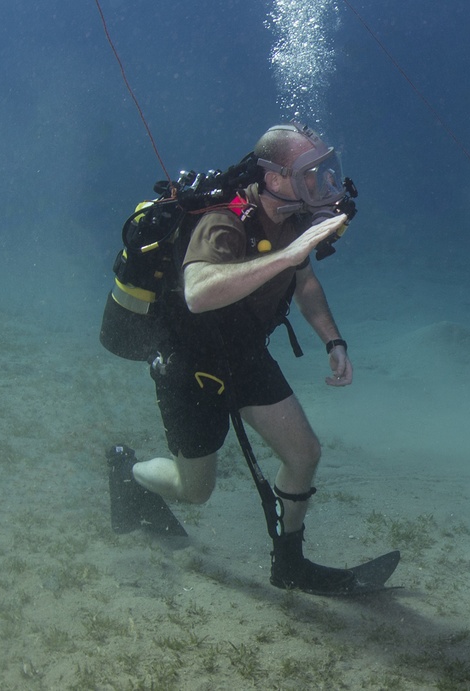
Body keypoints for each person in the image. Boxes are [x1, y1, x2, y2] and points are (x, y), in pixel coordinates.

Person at [108, 123, 359, 594]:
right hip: (189, 360)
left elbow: (305, 284)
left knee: (304, 453)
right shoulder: (225, 219)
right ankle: (127, 471)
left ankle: (289, 562)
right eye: (312, 173)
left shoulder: (293, 219)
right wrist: (288, 256)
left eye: (328, 170)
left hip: (242, 351)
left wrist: (333, 340)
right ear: (275, 178)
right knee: (194, 489)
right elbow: (199, 294)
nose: (326, 183)